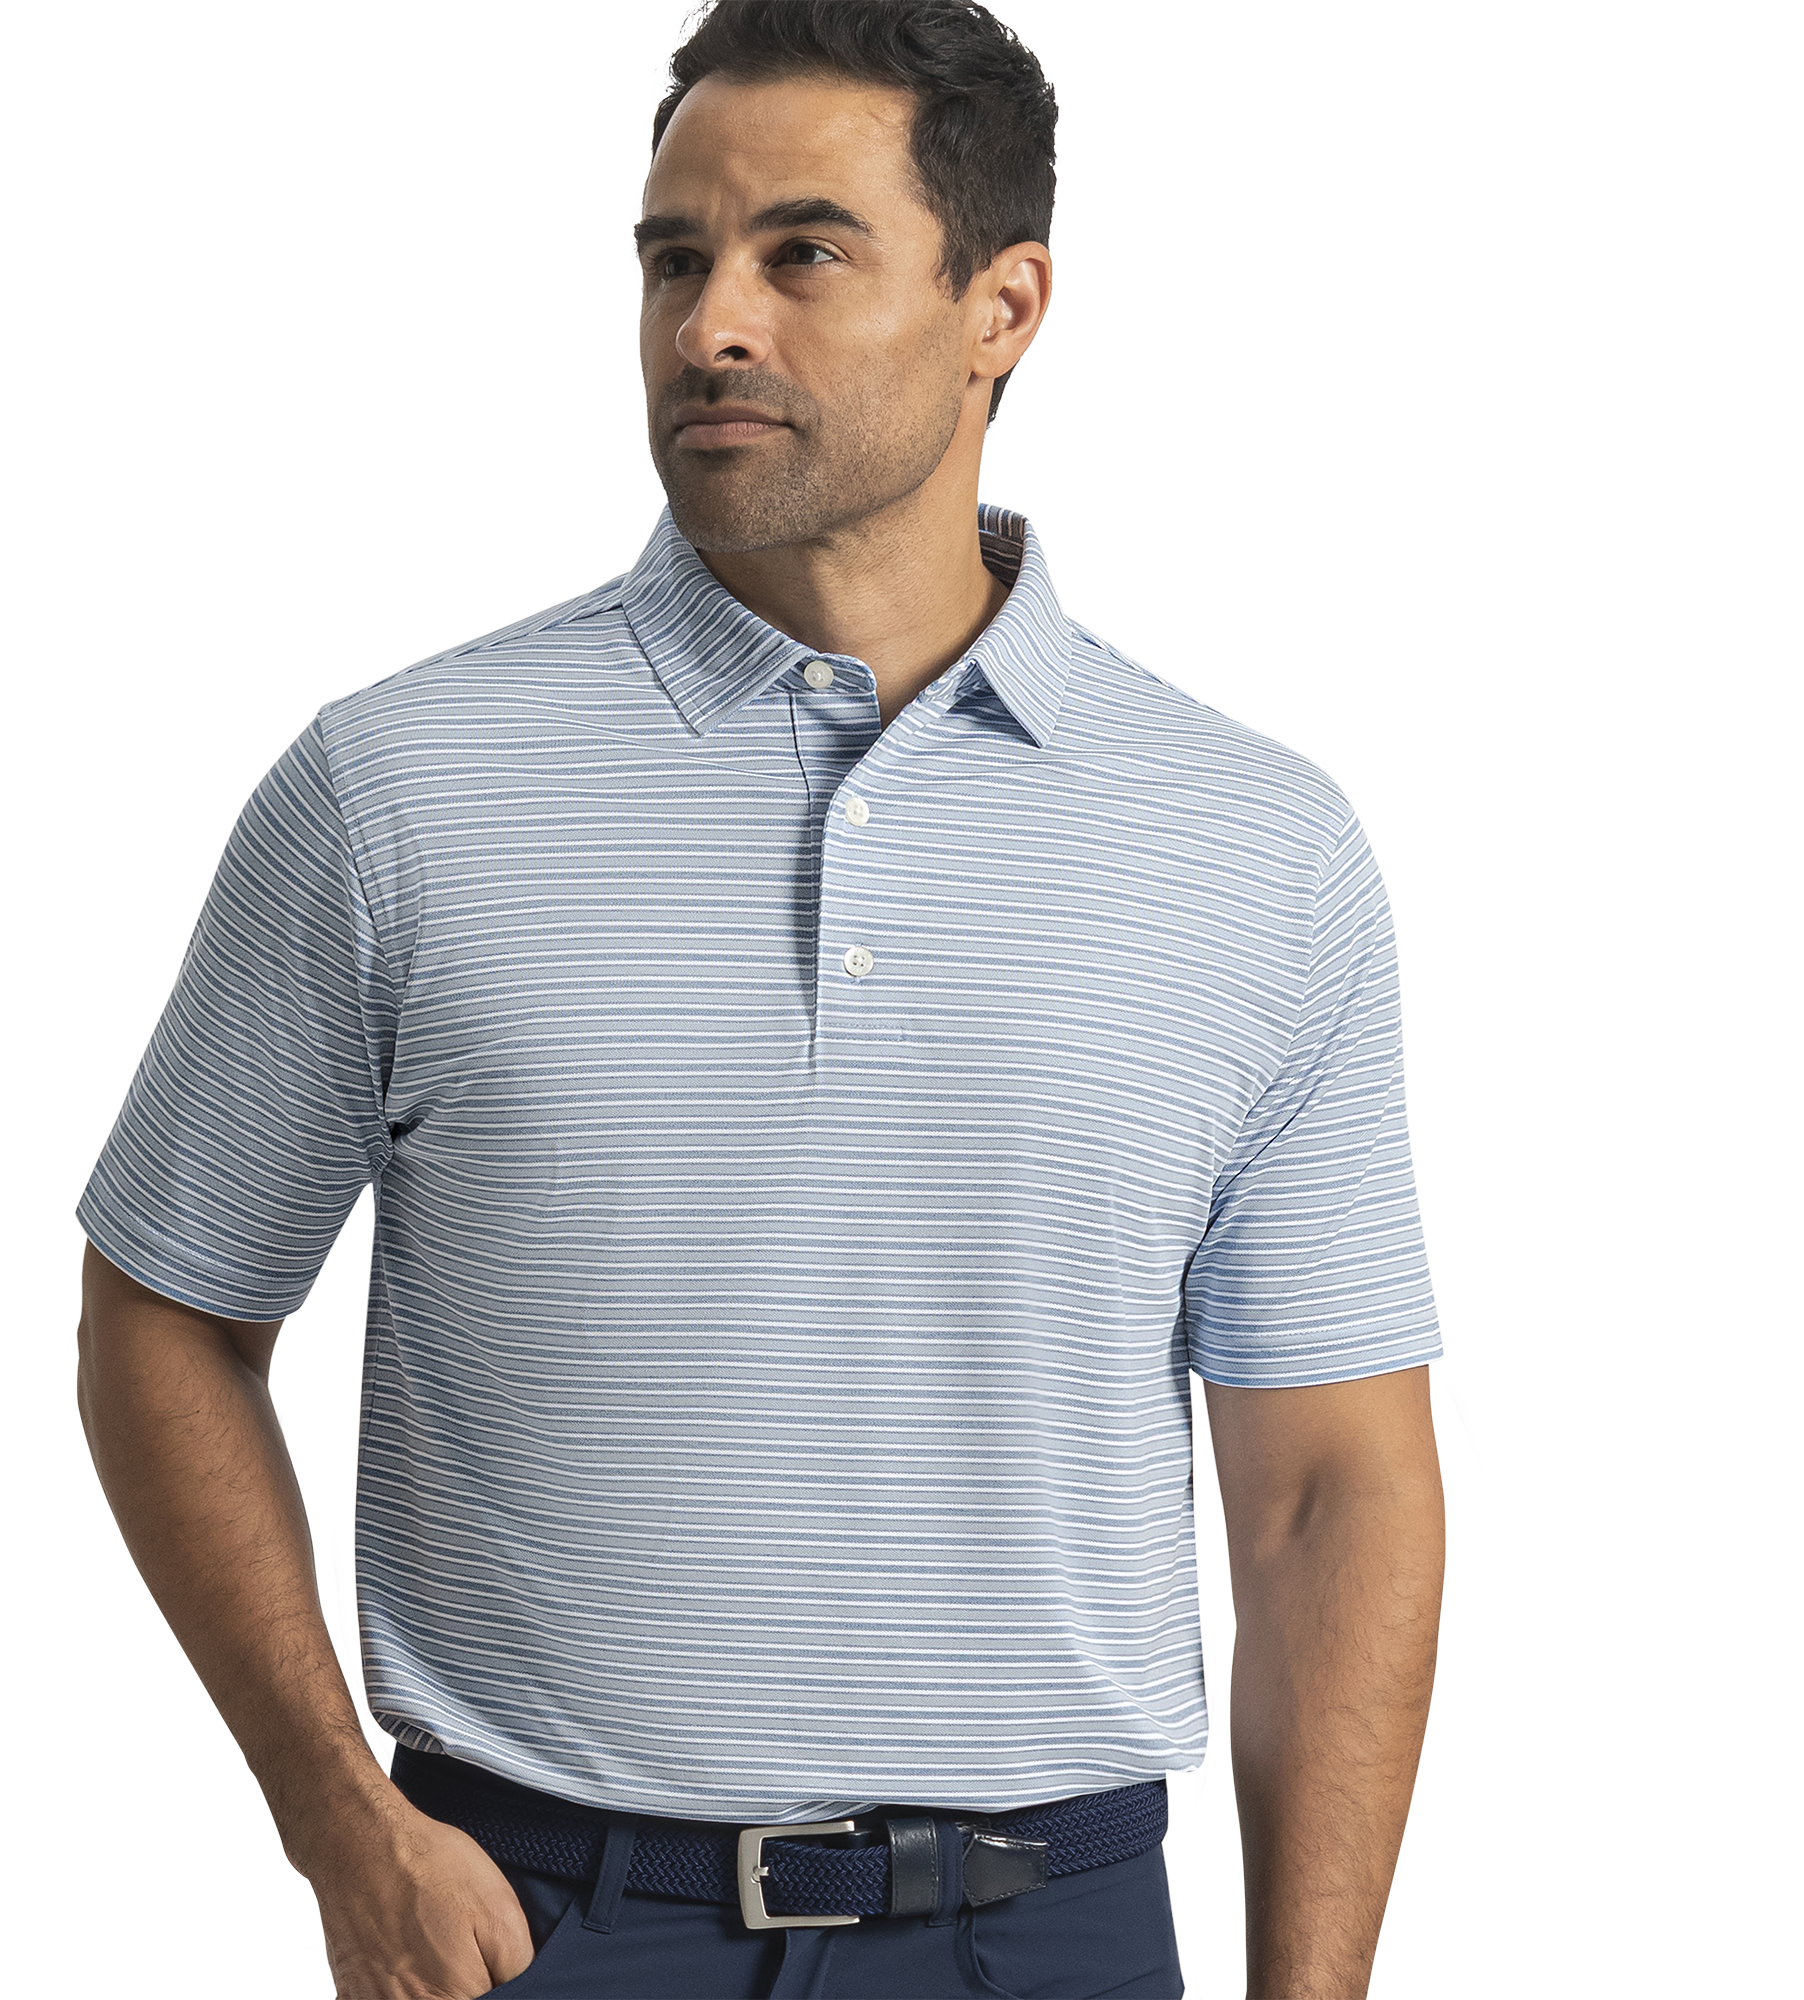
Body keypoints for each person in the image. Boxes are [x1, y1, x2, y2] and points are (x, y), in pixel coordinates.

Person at [75, 2, 1447, 1995]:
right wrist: (333, 1814)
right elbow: (165, 1313)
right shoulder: (397, 790)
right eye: (673, 258)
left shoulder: (1252, 845)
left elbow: (1329, 1486)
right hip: (537, 1923)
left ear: (1002, 307)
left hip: (1053, 1931)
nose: (710, 322)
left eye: (803, 252)